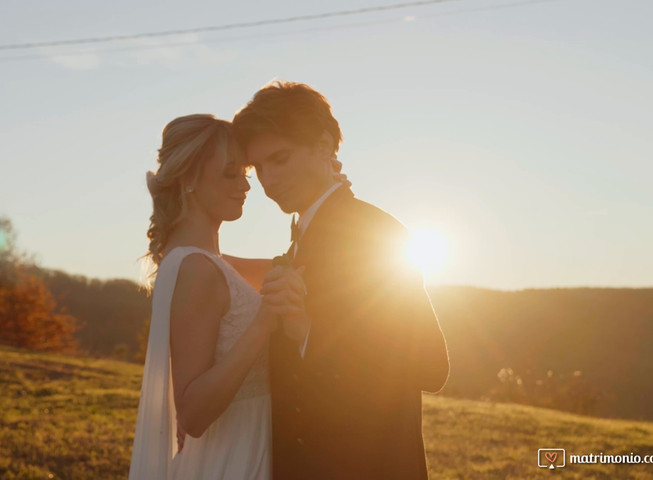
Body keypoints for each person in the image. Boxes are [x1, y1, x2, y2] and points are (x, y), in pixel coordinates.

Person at [226, 81, 451, 479]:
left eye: (280, 158)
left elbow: (430, 365)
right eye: (258, 167)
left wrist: (306, 331)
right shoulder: (304, 237)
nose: (268, 180)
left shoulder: (374, 233)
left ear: (324, 145)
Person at [128, 114, 306, 480]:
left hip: (246, 443)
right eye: (230, 174)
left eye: (245, 173)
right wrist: (263, 323)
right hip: (232, 458)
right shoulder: (196, 269)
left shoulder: (207, 262)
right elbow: (192, 413)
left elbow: (296, 266)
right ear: (189, 178)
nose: (246, 185)